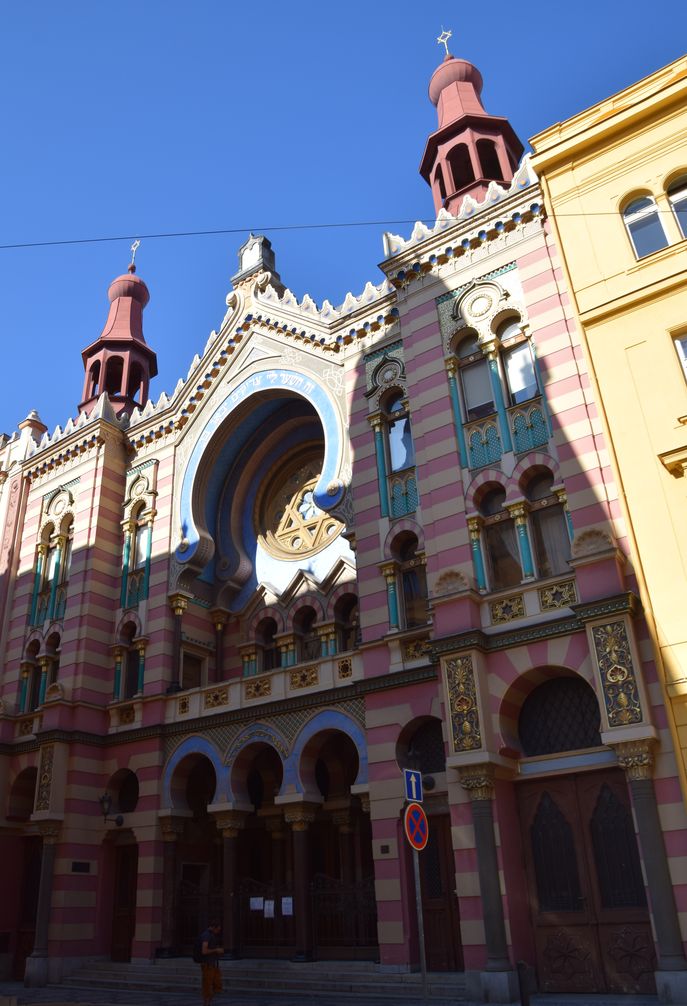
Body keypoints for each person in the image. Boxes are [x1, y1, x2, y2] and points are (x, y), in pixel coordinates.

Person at [198, 920, 224, 1006]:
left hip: (213, 964)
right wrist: (216, 950)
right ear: (213, 927)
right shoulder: (206, 935)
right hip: (207, 965)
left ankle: (209, 1002)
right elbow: (204, 951)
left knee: (217, 984)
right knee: (207, 985)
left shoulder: (211, 935)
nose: (218, 932)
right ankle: (206, 1003)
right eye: (218, 930)